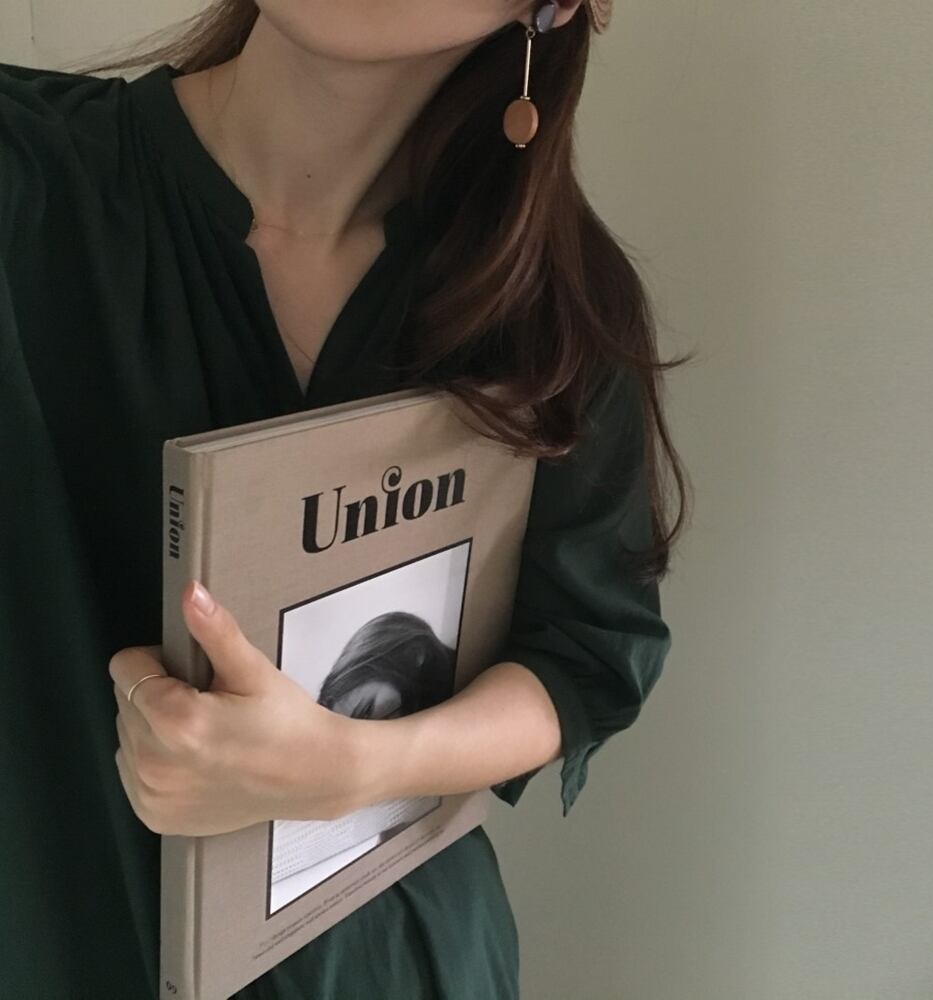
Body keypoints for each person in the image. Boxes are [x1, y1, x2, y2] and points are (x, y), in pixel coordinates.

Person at [0, 0, 691, 996]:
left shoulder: (554, 308)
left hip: (389, 964)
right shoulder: (27, 174)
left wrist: (358, 767)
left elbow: (586, 656)